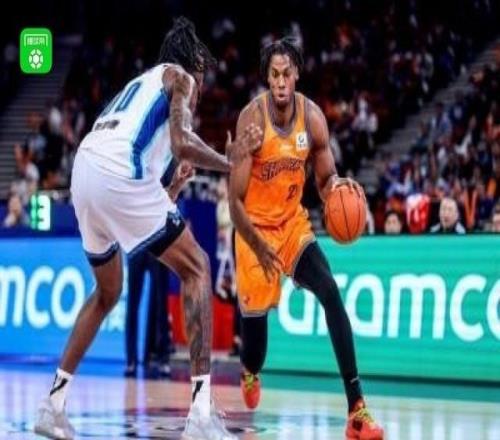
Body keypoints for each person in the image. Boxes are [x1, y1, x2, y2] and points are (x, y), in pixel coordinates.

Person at [34, 17, 261, 440]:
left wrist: (174, 186)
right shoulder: (180, 78)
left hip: (84, 171)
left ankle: (53, 405)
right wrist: (230, 162)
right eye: (203, 75)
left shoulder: (140, 88)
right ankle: (200, 415)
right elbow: (180, 142)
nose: (201, 87)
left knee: (108, 292)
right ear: (194, 65)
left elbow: (145, 206)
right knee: (197, 267)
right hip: (117, 174)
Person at [228, 38, 384, 440]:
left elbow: (325, 177)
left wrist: (336, 188)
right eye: (274, 74)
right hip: (253, 230)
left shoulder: (312, 118)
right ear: (267, 78)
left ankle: (357, 409)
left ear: (296, 74)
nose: (281, 81)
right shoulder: (252, 120)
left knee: (330, 291)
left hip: (291, 225)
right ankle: (249, 371)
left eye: (287, 73)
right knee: (255, 349)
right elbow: (235, 200)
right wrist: (256, 245)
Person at [124, 161, 193, 377]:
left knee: (161, 302)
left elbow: (172, 196)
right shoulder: (134, 160)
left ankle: (163, 357)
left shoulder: (167, 161)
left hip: (158, 237)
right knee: (133, 302)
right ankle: (131, 360)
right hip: (136, 241)